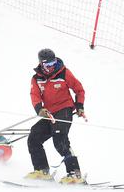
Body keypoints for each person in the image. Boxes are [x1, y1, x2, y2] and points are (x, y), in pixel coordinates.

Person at [26, 48, 86, 183]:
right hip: (48, 113)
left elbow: (79, 89)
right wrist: (39, 109)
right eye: (47, 65)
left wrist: (80, 106)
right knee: (34, 136)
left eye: (53, 63)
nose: (51, 67)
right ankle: (42, 170)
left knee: (59, 138)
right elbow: (34, 95)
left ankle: (74, 174)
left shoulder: (64, 73)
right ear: (41, 64)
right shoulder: (36, 79)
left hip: (64, 110)